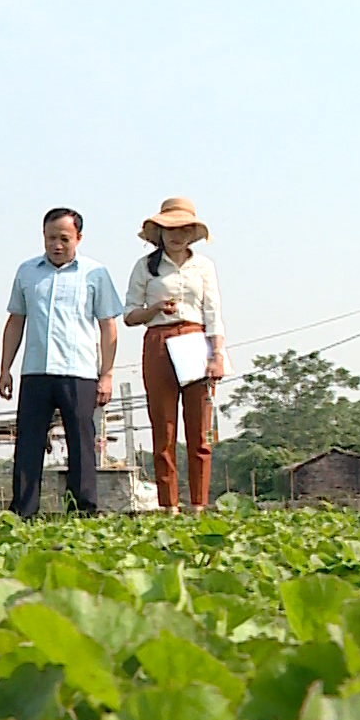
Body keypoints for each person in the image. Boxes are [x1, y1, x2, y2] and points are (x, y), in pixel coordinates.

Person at [0, 207, 124, 516]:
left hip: (78, 370)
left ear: (78, 238)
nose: (57, 245)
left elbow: (108, 326)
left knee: (81, 442)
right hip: (36, 370)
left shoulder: (94, 273)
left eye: (64, 238)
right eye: (51, 238)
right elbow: (16, 320)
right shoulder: (28, 272)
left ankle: (83, 509)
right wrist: (5, 368)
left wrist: (106, 373)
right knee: (28, 443)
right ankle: (23, 510)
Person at [123, 198, 226, 513]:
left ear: (192, 232)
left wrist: (217, 354)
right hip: (158, 341)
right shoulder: (146, 267)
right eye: (169, 229)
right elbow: (128, 315)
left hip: (195, 341)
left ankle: (198, 504)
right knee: (163, 429)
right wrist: (153, 309)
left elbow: (213, 312)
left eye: (183, 229)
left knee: (199, 430)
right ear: (159, 232)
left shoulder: (203, 267)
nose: (176, 235)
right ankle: (169, 505)